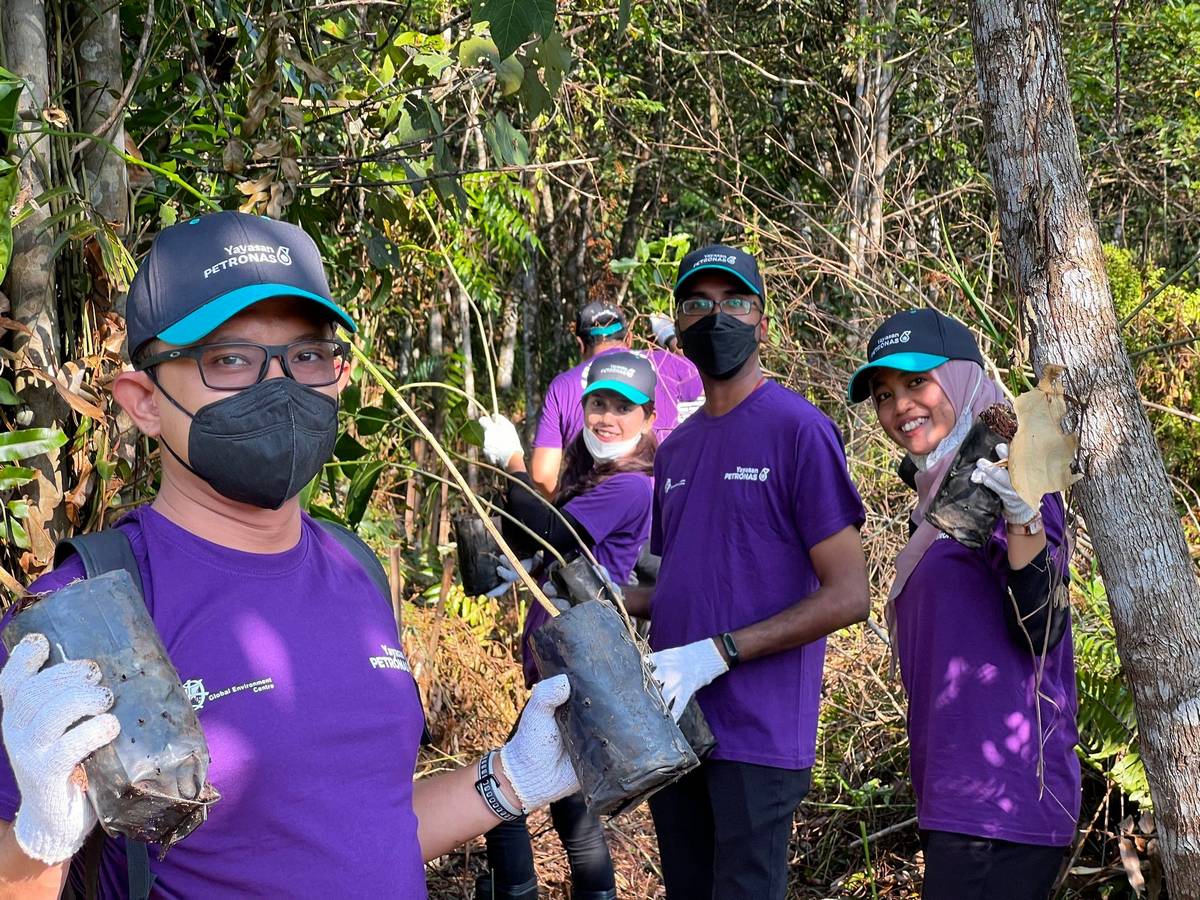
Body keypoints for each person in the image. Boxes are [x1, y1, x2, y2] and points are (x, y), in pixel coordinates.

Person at [0, 211, 580, 898]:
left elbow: (362, 834)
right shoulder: (84, 612)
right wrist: (41, 836)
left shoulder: (356, 569)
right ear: (145, 401)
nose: (280, 386)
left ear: (338, 377)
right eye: (230, 359)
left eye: (307, 355)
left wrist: (509, 777)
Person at [621, 244, 871, 899]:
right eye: (698, 304)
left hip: (756, 737)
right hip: (674, 726)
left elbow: (849, 594)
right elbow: (689, 580)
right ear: (677, 328)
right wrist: (605, 596)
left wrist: (722, 652)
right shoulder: (676, 450)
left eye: (736, 302)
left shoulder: (799, 431)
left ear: (763, 321)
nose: (717, 316)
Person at [846, 308, 1079, 899]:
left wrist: (1023, 518)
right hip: (955, 793)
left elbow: (1043, 627)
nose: (900, 406)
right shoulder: (942, 500)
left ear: (960, 378)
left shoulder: (1010, 473)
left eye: (916, 382)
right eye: (884, 394)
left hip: (1006, 796)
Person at [473, 351, 660, 900]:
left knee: (497, 793)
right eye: (597, 403)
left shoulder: (630, 485)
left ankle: (514, 890)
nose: (605, 417)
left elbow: (554, 532)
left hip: (580, 659)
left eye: (622, 408)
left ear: (648, 417)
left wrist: (512, 461)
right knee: (573, 810)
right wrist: (524, 569)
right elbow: (564, 551)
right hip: (572, 657)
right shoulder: (598, 473)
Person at [529, 300, 702, 498]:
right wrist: (669, 337)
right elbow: (709, 379)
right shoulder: (667, 363)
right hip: (665, 506)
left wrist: (571, 509)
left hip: (594, 512)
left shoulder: (563, 385)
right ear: (629, 338)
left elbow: (543, 475)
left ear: (580, 344)